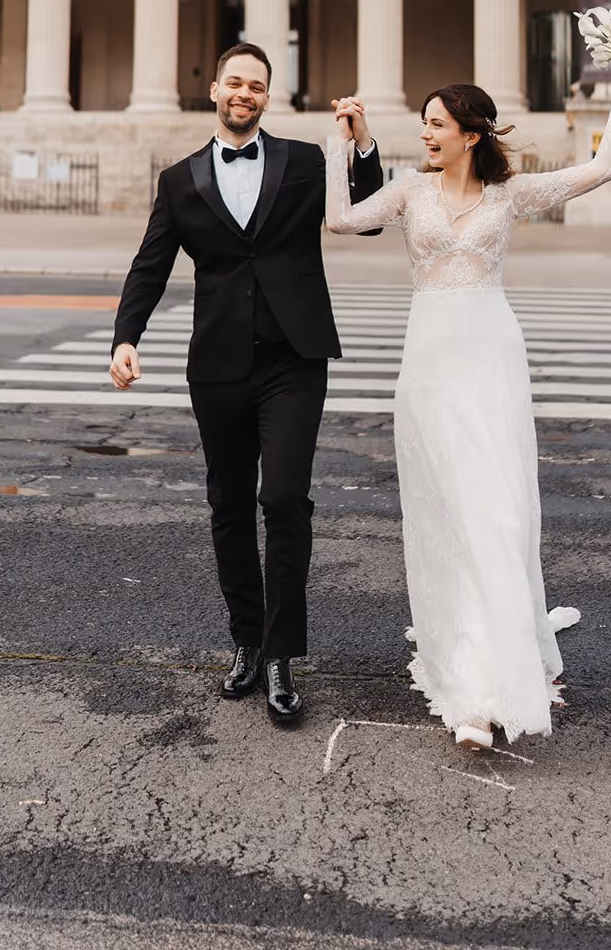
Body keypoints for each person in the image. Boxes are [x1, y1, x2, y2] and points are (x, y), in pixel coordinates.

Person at [325, 50, 611, 747]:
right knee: (449, 515)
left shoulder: (510, 195)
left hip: (492, 359)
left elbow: (599, 171)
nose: (427, 133)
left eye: (437, 123)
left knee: (498, 514)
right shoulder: (409, 191)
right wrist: (343, 143)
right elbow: (341, 222)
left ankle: (501, 673)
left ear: (471, 133)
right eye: (423, 123)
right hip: (430, 367)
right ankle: (469, 684)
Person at [109, 44, 384, 726]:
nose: (245, 93)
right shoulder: (179, 180)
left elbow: (370, 214)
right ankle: (245, 644)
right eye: (235, 82)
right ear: (213, 90)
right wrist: (125, 338)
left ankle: (283, 656)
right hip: (219, 365)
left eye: (256, 86)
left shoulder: (301, 161)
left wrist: (363, 143)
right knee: (229, 507)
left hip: (295, 358)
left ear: (267, 96)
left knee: (284, 499)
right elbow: (150, 265)